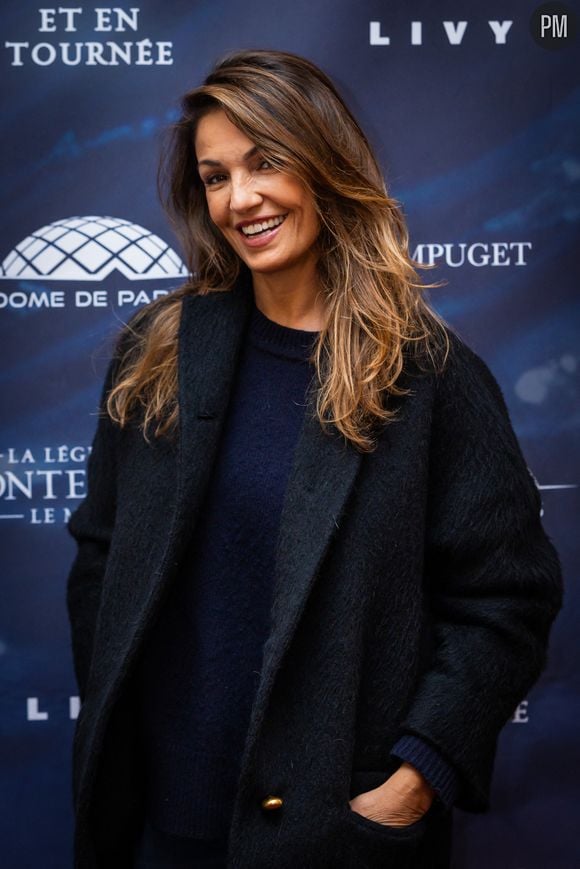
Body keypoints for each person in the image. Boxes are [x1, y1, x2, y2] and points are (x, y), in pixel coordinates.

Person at [66, 49, 563, 869]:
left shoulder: (429, 375)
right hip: (161, 824)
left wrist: (414, 779)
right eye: (216, 175)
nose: (241, 198)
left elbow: (507, 602)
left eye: (266, 162)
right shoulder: (157, 351)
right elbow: (102, 555)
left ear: (325, 163)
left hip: (335, 834)